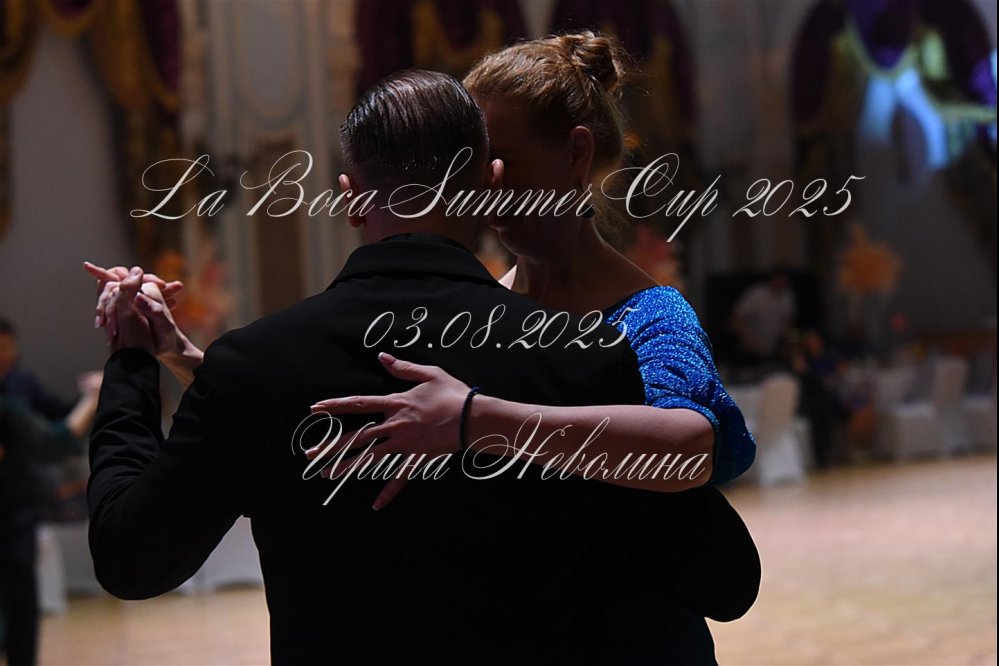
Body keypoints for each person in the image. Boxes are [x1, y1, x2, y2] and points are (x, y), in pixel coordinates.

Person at [86, 69, 667, 665]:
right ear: (490, 186)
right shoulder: (582, 353)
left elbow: (130, 559)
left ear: (350, 198)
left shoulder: (254, 365)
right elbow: (695, 570)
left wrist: (131, 362)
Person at [301, 32, 760, 663]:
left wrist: (475, 418)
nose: (483, 185)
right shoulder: (483, 304)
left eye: (502, 162)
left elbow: (687, 449)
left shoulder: (651, 312)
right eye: (473, 165)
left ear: (575, 154)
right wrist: (195, 365)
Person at [1, 384, 101, 666]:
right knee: (19, 612)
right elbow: (54, 442)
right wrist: (93, 399)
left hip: (13, 523)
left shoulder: (12, 404)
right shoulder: (7, 411)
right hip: (11, 526)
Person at [730, 266, 796, 369]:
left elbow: (787, 322)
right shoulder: (756, 295)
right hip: (751, 352)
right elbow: (735, 319)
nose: (782, 285)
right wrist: (747, 339)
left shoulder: (788, 297)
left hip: (775, 352)